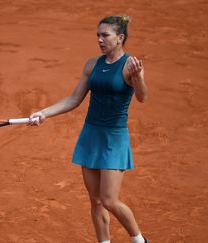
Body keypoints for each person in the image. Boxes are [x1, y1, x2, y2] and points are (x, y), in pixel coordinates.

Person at [29, 15, 148, 243]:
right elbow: (74, 99)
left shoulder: (131, 66)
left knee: (110, 200)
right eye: (98, 36)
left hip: (114, 138)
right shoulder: (92, 64)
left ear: (120, 38)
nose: (100, 40)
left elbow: (142, 97)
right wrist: (44, 112)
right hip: (90, 136)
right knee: (95, 200)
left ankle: (139, 240)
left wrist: (137, 78)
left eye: (105, 35)